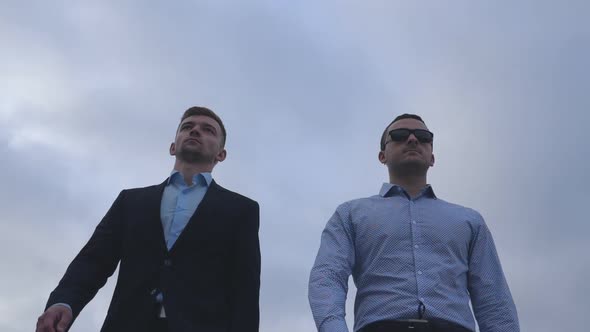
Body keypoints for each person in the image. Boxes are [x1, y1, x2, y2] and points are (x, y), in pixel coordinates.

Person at [36, 107, 261, 332]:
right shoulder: (131, 201)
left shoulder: (241, 210)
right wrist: (64, 302)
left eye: (208, 130)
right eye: (187, 127)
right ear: (173, 147)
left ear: (221, 154)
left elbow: (245, 289)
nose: (195, 131)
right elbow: (93, 260)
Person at [308, 114, 519, 332]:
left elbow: (494, 300)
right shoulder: (350, 215)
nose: (412, 140)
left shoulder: (469, 222)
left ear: (432, 157)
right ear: (382, 156)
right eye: (399, 136)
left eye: (423, 136)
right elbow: (328, 277)